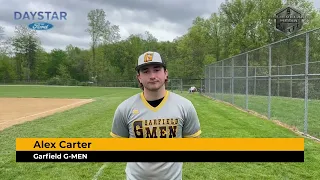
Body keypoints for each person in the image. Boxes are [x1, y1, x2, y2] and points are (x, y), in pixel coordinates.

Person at [110, 51, 201, 180]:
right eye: (145, 71)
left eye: (157, 70)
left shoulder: (185, 106)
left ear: (166, 73)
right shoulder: (125, 108)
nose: (152, 76)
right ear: (139, 77)